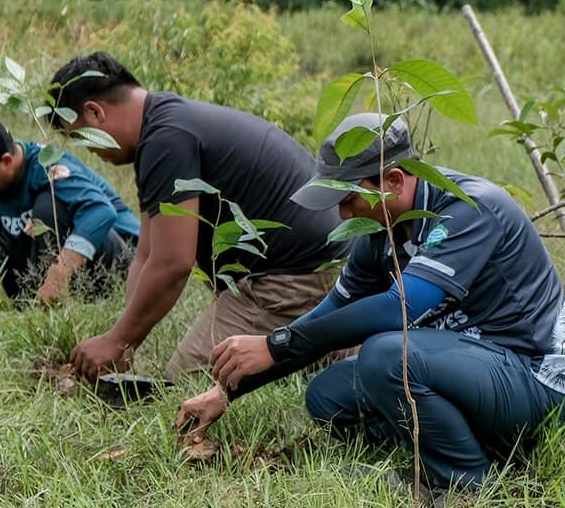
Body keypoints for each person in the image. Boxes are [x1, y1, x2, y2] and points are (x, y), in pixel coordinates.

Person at [174, 112, 565, 497]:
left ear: (393, 180)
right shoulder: (380, 230)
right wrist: (231, 389)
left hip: (536, 379)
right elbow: (331, 312)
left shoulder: (470, 208)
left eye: (349, 199)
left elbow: (398, 309)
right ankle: (462, 444)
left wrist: (276, 343)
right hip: (472, 371)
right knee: (328, 395)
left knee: (386, 356)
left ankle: (465, 483)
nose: (341, 213)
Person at [44, 52, 347, 380]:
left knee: (184, 386)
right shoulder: (162, 129)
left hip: (293, 277)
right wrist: (123, 339)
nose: (90, 152)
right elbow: (147, 255)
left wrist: (117, 342)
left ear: (95, 112)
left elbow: (173, 264)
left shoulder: (166, 140)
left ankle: (334, 348)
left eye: (80, 136)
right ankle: (326, 343)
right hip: (303, 266)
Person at [0, 115, 139, 304]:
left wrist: (60, 273)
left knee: (48, 207)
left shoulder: (49, 166)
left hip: (123, 264)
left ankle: (55, 299)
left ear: (6, 161)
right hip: (53, 274)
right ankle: (34, 305)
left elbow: (101, 211)